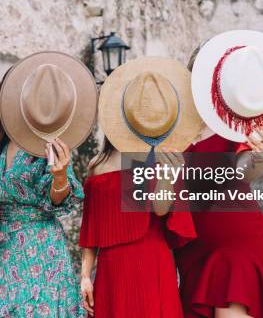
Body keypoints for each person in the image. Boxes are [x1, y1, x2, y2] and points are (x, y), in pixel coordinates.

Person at [177, 31, 263, 318]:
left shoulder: (239, 122)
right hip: (191, 244)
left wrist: (258, 157)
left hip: (231, 239)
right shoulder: (177, 125)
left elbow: (247, 171)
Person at [84, 56, 203, 317]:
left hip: (152, 262)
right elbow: (91, 226)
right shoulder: (98, 164)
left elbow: (162, 211)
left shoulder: (165, 158)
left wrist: (167, 176)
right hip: (112, 268)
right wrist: (84, 275)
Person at [0, 52, 97, 317]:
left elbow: (59, 197)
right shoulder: (2, 143)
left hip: (40, 254)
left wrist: (59, 178)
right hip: (5, 257)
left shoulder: (47, 146)